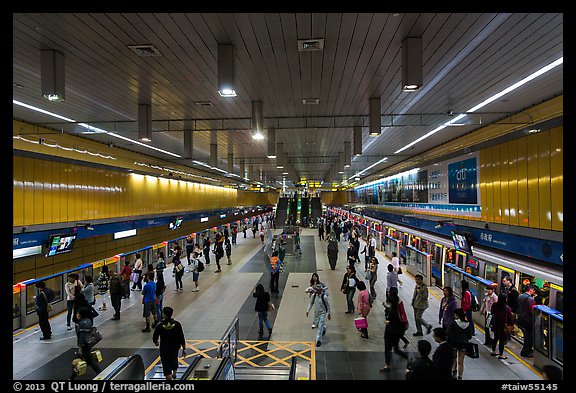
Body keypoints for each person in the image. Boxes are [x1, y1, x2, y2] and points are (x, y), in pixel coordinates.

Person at [152, 306, 186, 381]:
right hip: (175, 347)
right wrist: (184, 348)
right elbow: (181, 336)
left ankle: (169, 376)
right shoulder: (177, 324)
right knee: (174, 358)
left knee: (166, 362)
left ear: (164, 315)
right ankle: (174, 372)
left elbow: (155, 336)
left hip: (165, 348)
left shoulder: (160, 326)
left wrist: (156, 342)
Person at [379, 288, 409, 372]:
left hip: (390, 331)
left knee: (387, 348)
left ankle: (387, 365)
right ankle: (408, 358)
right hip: (397, 331)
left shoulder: (393, 311)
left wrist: (388, 321)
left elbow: (392, 317)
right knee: (396, 349)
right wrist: (386, 306)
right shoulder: (398, 303)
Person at [70, 307, 101, 379]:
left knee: (77, 362)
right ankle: (72, 377)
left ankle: (72, 377)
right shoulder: (88, 320)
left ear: (81, 315)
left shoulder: (82, 324)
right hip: (88, 343)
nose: (77, 315)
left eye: (78, 313)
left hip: (84, 346)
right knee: (88, 360)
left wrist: (80, 348)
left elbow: (82, 336)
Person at [446, 308, 472, 380]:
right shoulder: (467, 323)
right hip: (464, 344)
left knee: (454, 358)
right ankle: (460, 376)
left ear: (457, 315)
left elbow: (448, 333)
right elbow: (470, 335)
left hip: (454, 343)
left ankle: (454, 374)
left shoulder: (453, 323)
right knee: (461, 361)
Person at [489, 293, 514, 359]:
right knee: (502, 340)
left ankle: (493, 351)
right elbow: (510, 318)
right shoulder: (507, 308)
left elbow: (492, 313)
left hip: (495, 324)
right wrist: (511, 325)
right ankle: (501, 354)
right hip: (503, 326)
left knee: (495, 338)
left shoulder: (494, 305)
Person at [517, 284, 536, 357]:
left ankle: (527, 350)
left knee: (527, 336)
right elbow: (532, 311)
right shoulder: (531, 299)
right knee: (529, 337)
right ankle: (526, 351)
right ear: (530, 290)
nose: (534, 291)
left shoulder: (520, 296)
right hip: (528, 321)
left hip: (521, 319)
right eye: (533, 290)